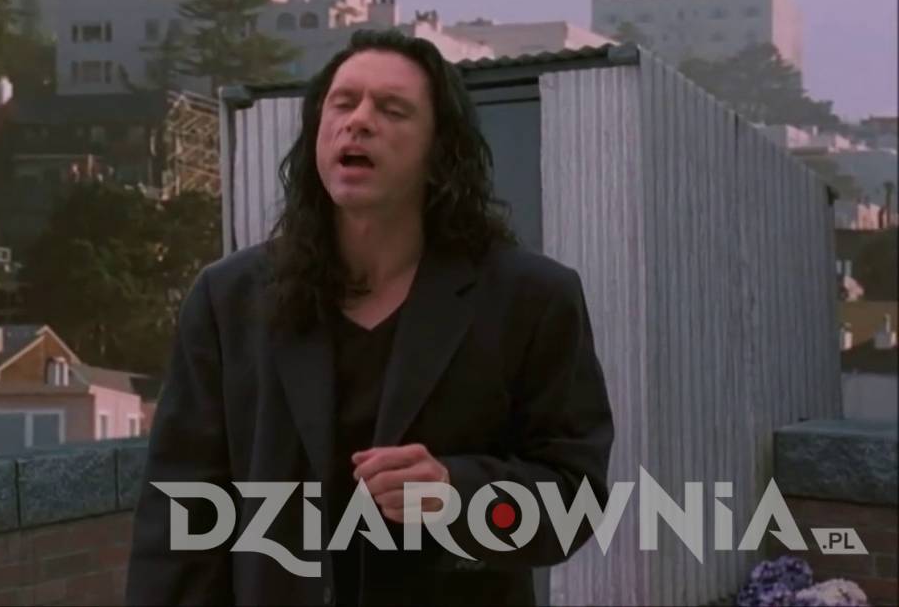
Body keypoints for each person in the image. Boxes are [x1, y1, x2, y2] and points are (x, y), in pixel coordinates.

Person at [126, 29, 614, 606]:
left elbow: (574, 497)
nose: (358, 121)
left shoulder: (531, 297)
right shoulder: (228, 298)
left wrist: (457, 494)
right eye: (342, 103)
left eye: (392, 109)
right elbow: (179, 519)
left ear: (439, 151)